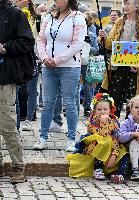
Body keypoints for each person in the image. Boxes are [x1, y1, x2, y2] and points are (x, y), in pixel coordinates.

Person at [34, 0, 87, 151]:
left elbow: (77, 43)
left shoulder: (78, 17)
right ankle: (43, 137)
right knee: (48, 102)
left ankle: (71, 139)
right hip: (48, 66)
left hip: (69, 67)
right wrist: (44, 57)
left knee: (70, 103)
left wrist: (57, 60)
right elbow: (41, 39)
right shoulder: (48, 17)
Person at [98, 0, 139, 118]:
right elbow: (110, 44)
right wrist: (103, 38)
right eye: (124, 3)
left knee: (133, 101)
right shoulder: (119, 22)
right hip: (117, 67)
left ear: (136, 6)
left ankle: (132, 128)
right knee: (114, 98)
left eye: (128, 3)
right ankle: (113, 127)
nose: (125, 6)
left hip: (134, 69)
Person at [0, 0, 35, 183]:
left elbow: (27, 41)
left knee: (7, 125)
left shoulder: (15, 14)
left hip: (5, 76)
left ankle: (18, 167)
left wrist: (5, 47)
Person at [67, 93, 127, 180]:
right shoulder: (93, 121)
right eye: (99, 109)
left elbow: (116, 138)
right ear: (94, 110)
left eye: (105, 109)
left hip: (113, 148)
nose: (102, 111)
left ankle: (121, 174)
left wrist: (114, 154)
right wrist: (103, 122)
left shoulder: (115, 122)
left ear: (110, 110)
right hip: (95, 148)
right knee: (102, 142)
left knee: (124, 154)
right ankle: (97, 168)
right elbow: (102, 136)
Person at [16, 0, 40, 132]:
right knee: (18, 89)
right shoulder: (14, 13)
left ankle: (28, 118)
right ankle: (18, 118)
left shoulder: (36, 18)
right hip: (17, 55)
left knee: (31, 90)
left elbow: (39, 37)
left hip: (32, 56)